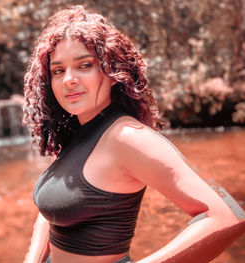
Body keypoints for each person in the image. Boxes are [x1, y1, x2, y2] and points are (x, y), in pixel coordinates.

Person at [23, 5, 245, 263]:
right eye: (58, 70)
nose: (68, 79)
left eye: (84, 65)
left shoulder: (126, 137)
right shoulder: (76, 130)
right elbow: (51, 211)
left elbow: (225, 217)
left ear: (113, 72)